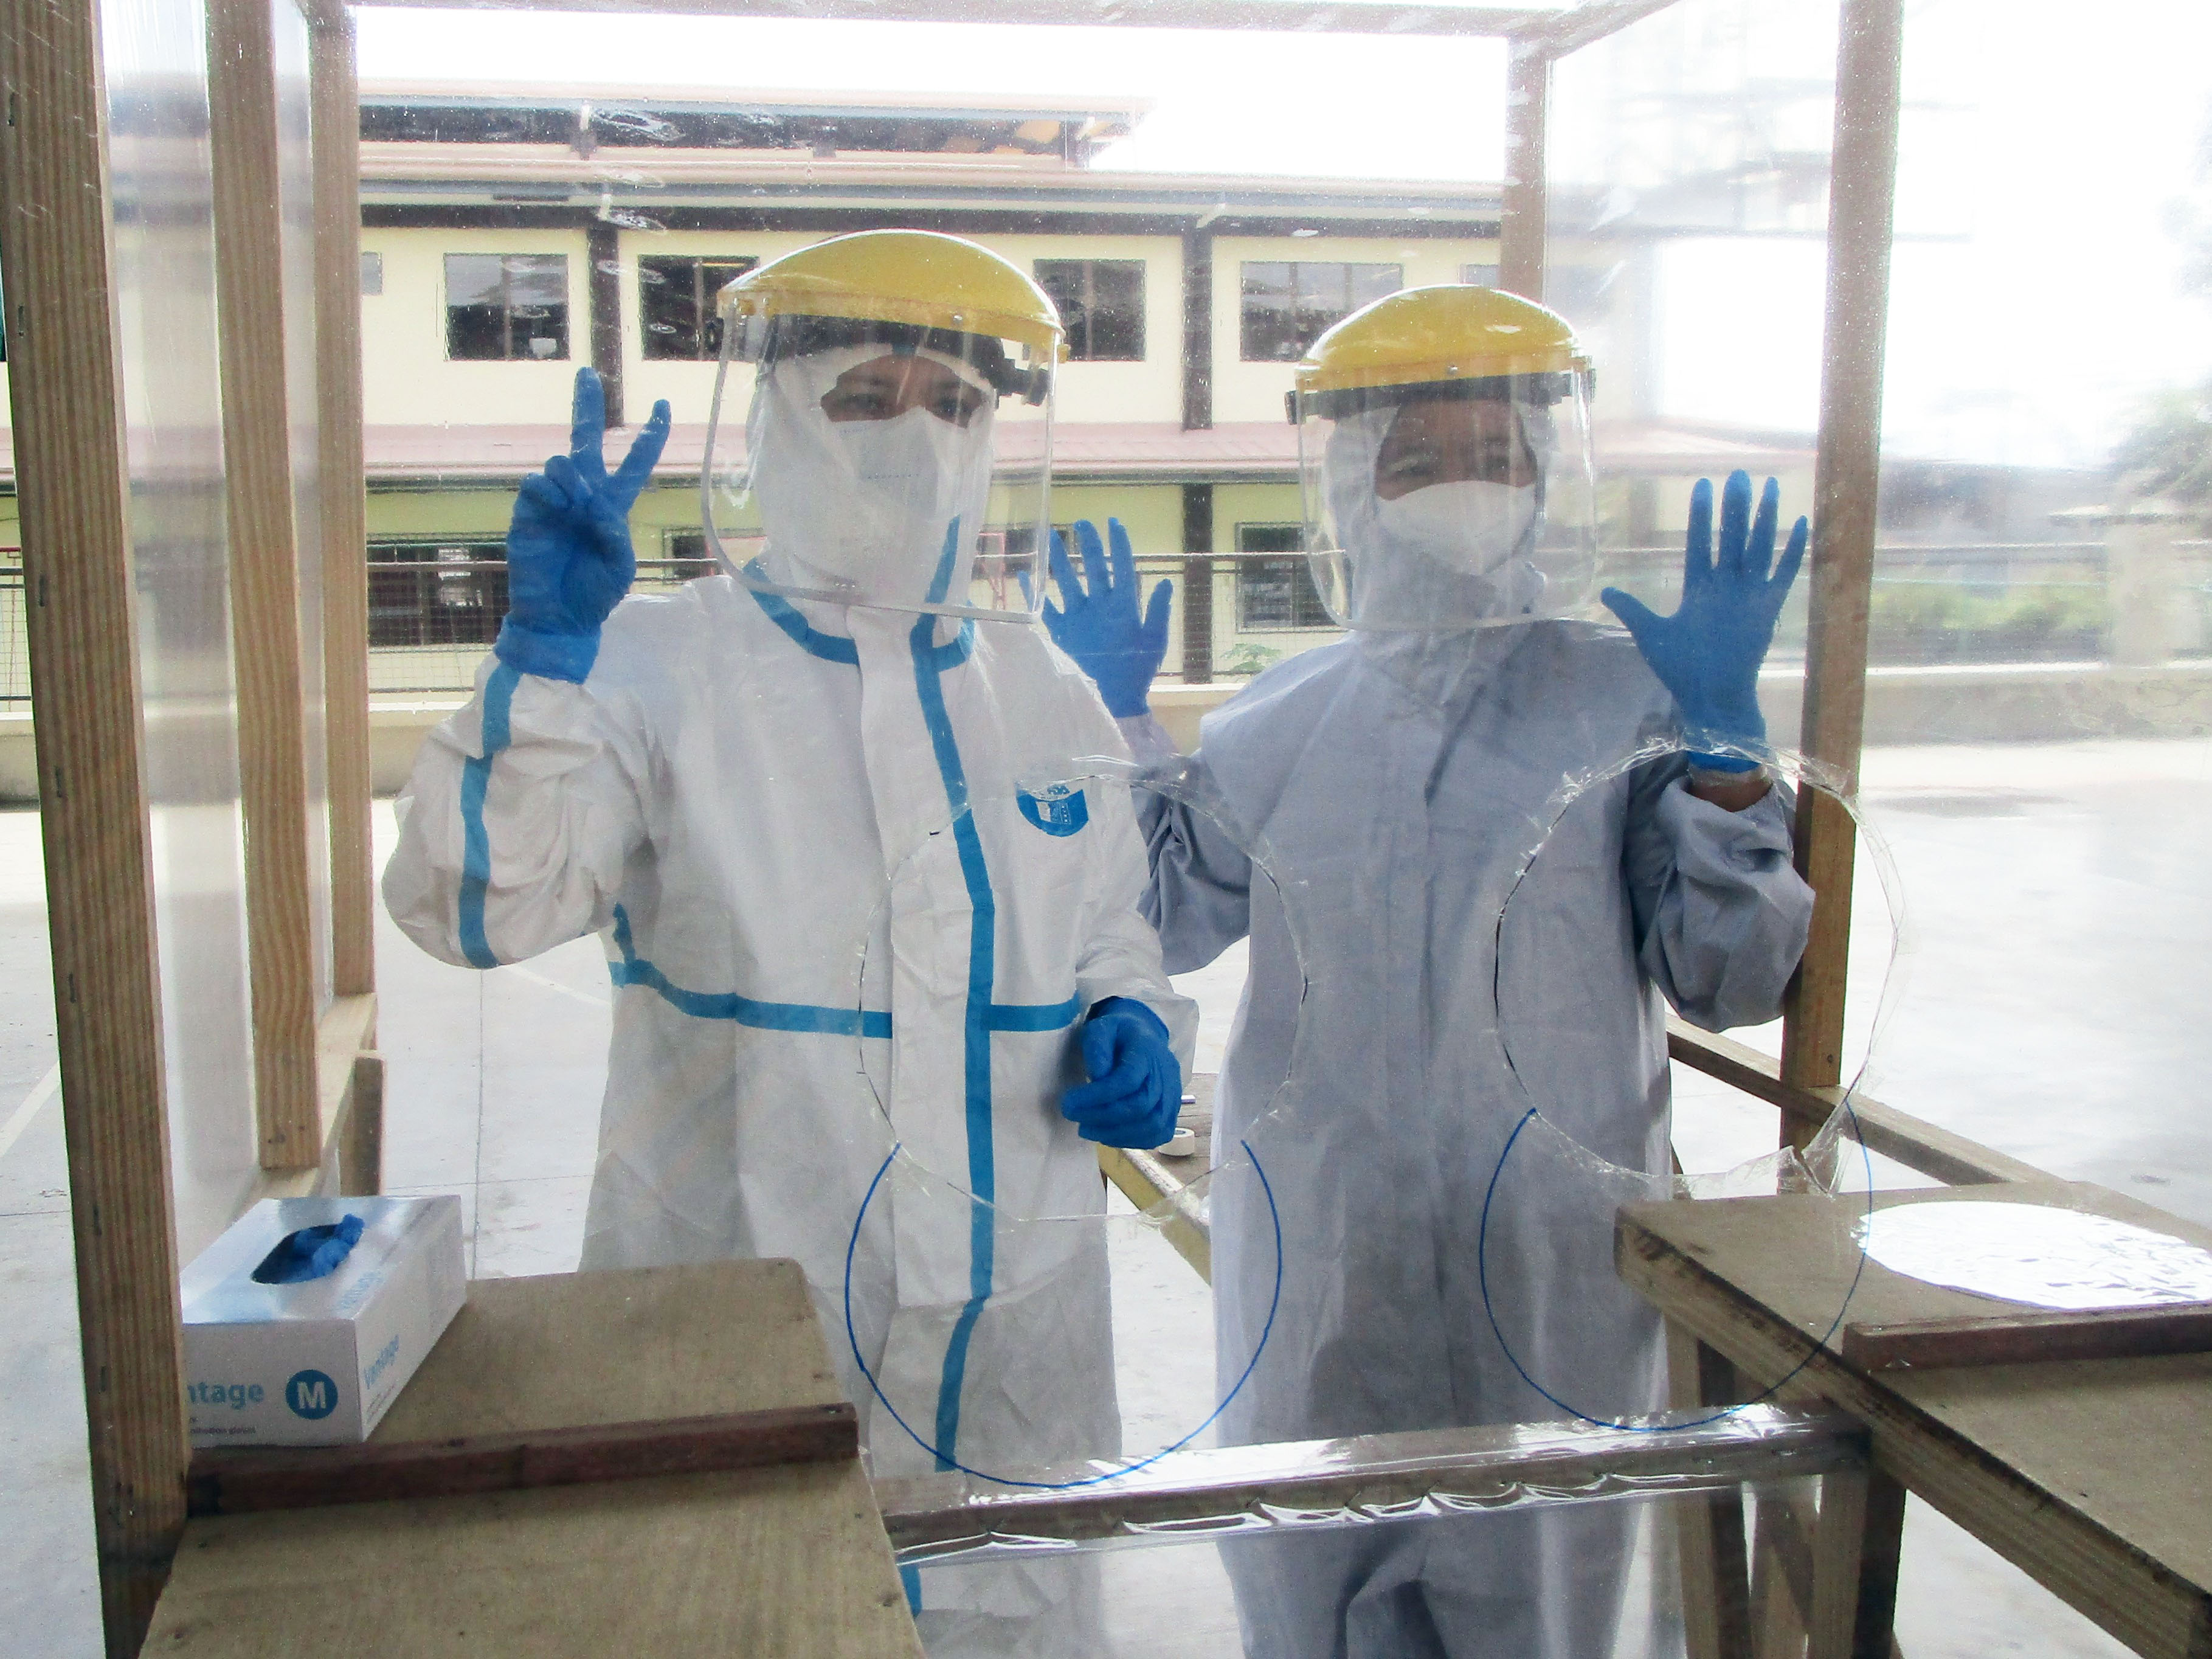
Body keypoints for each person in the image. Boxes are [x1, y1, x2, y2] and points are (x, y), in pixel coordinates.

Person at [384, 229, 1195, 1657]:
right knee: (739, 1612)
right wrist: (540, 668)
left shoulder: (1041, 686)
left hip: (1017, 1332)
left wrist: (1130, 1014)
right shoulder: (660, 663)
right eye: (864, 397)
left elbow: (1110, 924)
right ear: (772, 423)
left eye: (952, 402)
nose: (914, 434)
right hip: (746, 1296)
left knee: (1013, 1611)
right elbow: (474, 906)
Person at [1045, 283, 1815, 1658]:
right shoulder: (1277, 718)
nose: (1463, 485)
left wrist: (1722, 754)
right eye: (1418, 458)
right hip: (1322, 1231)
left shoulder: (1625, 700)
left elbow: (1730, 972)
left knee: (1544, 1587)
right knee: (1307, 1559)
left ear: (1546, 477)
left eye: (1497, 454)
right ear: (1353, 483)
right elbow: (1161, 916)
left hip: (1549, 1239)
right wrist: (1122, 726)